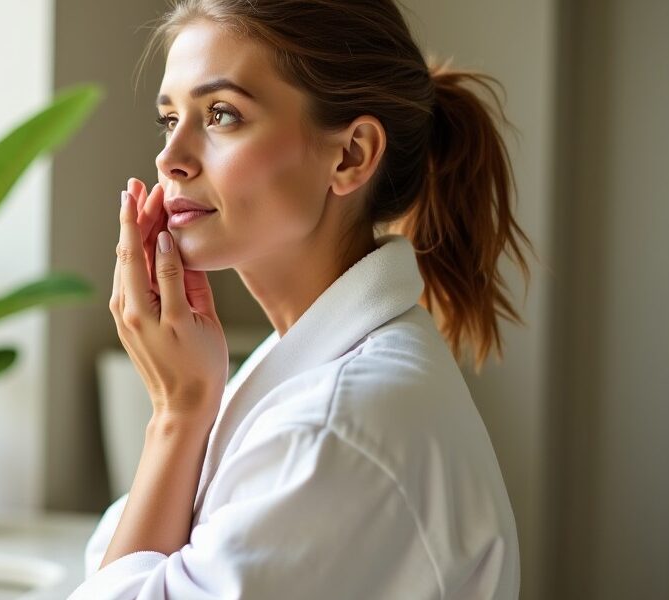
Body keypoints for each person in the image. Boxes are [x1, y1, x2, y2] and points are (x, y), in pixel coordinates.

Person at [74, 0, 532, 598]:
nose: (170, 159)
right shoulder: (300, 375)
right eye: (169, 119)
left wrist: (177, 415)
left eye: (221, 114)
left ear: (351, 155)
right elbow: (113, 562)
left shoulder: (335, 428)